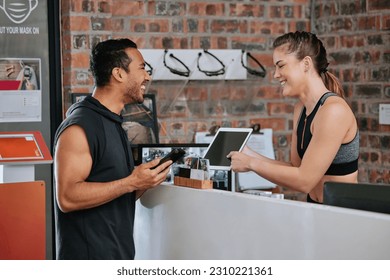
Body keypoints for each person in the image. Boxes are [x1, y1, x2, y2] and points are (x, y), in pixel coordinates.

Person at [53, 38, 172, 260]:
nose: (147, 76)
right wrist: (131, 182)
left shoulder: (113, 122)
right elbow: (67, 198)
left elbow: (114, 192)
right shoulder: (80, 126)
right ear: (118, 74)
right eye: (141, 68)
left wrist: (144, 182)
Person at [228, 31, 359, 204]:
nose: (275, 74)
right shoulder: (301, 108)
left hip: (342, 213)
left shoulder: (333, 111)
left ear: (305, 64)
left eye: (281, 66)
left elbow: (304, 180)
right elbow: (296, 169)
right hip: (315, 207)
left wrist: (251, 164)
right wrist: (249, 154)